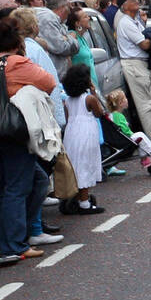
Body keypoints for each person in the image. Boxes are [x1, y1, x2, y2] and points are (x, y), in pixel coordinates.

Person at [0, 19, 57, 267]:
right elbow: (48, 82)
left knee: (10, 186)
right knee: (18, 187)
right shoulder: (17, 63)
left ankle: (3, 243)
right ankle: (14, 245)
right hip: (18, 129)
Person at [115, 0, 151, 144]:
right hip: (134, 63)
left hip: (145, 63)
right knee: (145, 100)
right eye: (132, 0)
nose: (137, 1)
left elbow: (146, 37)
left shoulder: (135, 20)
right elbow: (144, 43)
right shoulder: (125, 22)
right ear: (125, 6)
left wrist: (149, 34)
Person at [61, 64, 106, 214]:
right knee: (85, 165)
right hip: (86, 133)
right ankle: (85, 203)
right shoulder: (89, 99)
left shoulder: (67, 100)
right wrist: (94, 92)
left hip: (71, 133)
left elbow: (68, 119)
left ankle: (78, 197)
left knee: (76, 164)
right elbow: (99, 113)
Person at [105, 89, 151, 166]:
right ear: (120, 103)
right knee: (140, 135)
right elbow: (124, 129)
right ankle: (145, 156)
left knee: (139, 136)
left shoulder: (112, 115)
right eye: (125, 98)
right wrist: (131, 134)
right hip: (124, 139)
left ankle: (145, 156)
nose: (127, 100)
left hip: (118, 139)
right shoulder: (119, 116)